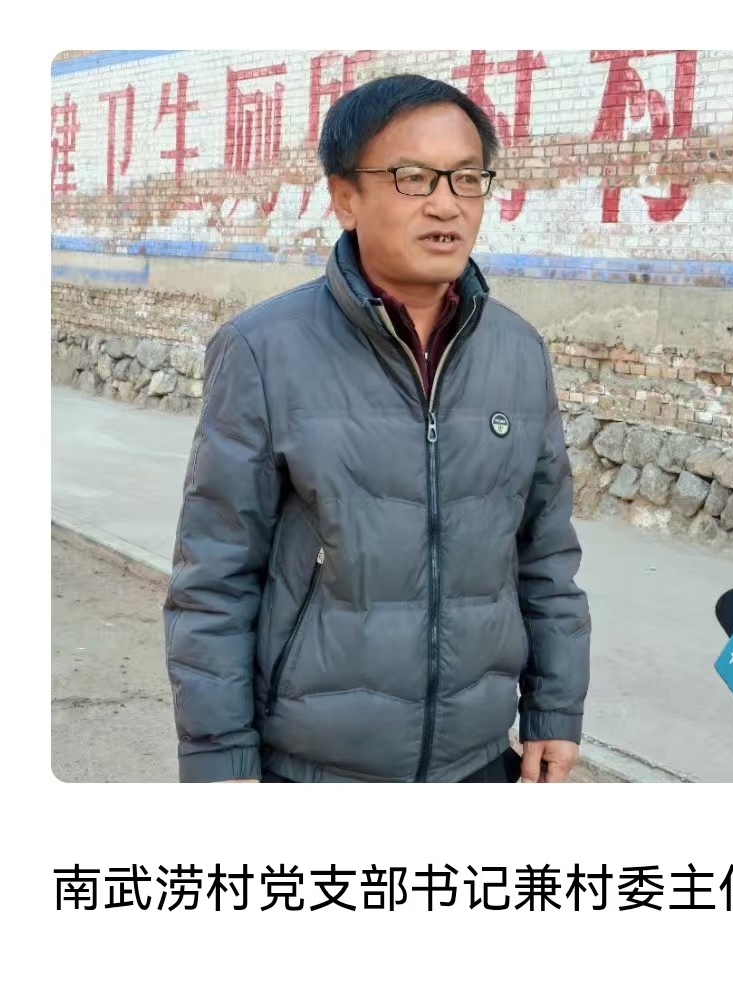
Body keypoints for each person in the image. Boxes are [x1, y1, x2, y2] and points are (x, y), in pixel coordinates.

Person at [162, 74, 591, 783]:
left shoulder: (517, 351)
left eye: (467, 178)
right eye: (413, 178)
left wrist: (554, 708)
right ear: (345, 197)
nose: (446, 204)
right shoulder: (264, 350)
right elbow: (215, 574)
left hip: (478, 762)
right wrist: (220, 754)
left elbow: (545, 555)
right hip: (311, 769)